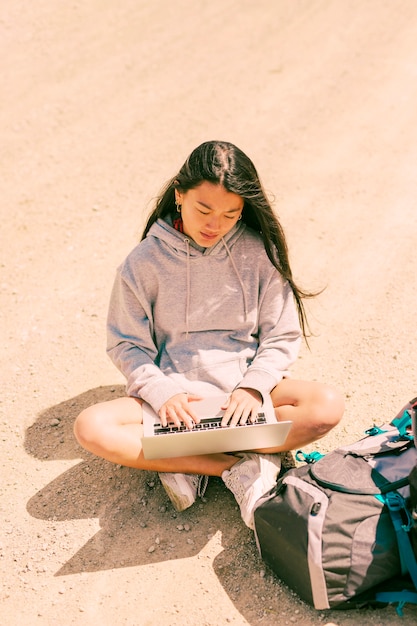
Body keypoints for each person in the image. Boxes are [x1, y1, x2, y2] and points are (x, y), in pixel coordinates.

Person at [73, 140, 344, 529]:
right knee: (91, 428)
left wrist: (253, 387)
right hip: (178, 407)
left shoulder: (258, 252)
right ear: (179, 194)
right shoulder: (142, 263)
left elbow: (281, 336)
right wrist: (163, 393)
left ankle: (181, 460)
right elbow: (126, 344)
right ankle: (235, 468)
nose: (214, 225)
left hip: (243, 402)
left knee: (326, 405)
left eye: (230, 215)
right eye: (203, 209)